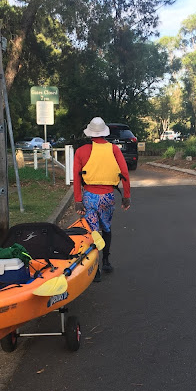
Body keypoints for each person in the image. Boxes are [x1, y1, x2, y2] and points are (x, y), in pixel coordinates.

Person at [73, 117, 131, 282]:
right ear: (104, 132)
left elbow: (77, 178)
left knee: (92, 231)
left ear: (90, 133)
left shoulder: (81, 151)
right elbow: (124, 174)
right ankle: (106, 261)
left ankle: (95, 269)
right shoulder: (114, 150)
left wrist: (78, 200)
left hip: (89, 196)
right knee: (106, 228)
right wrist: (126, 196)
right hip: (108, 196)